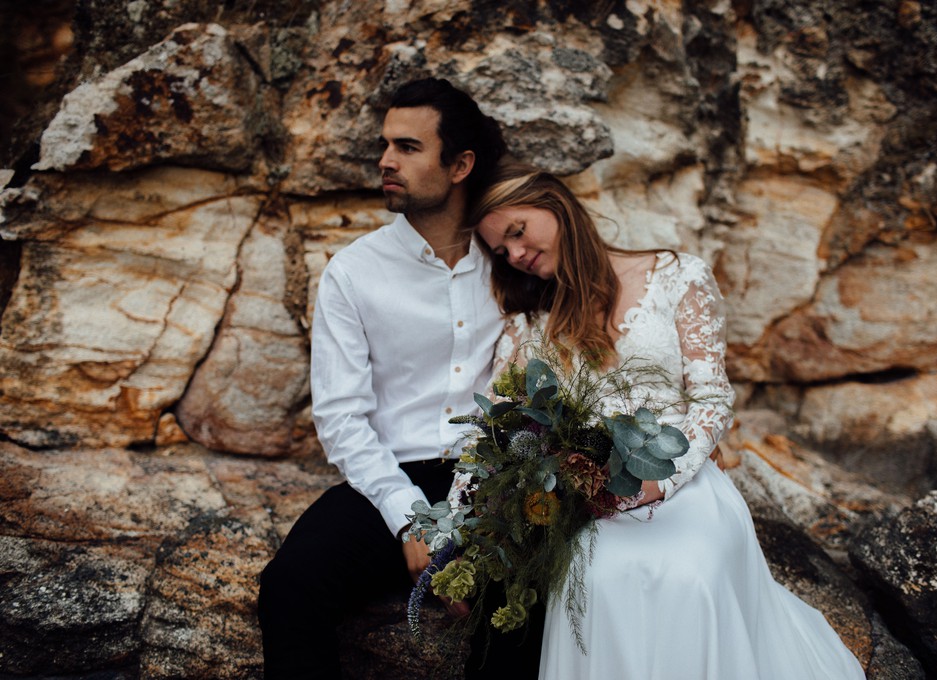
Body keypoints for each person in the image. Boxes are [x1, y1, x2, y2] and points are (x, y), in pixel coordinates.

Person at [464, 162, 867, 679]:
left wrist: (662, 478)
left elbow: (712, 399)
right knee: (598, 579)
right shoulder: (527, 327)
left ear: (555, 204)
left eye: (517, 232)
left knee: (689, 575)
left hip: (685, 483)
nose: (515, 255)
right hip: (589, 500)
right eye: (501, 252)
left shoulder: (678, 275)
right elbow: (498, 430)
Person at [257, 78, 542, 679]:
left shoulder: (514, 263)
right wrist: (413, 519)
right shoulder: (353, 273)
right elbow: (340, 417)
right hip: (389, 477)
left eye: (408, 147)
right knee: (290, 585)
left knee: (525, 607)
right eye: (386, 146)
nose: (386, 161)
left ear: (460, 164)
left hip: (492, 480)